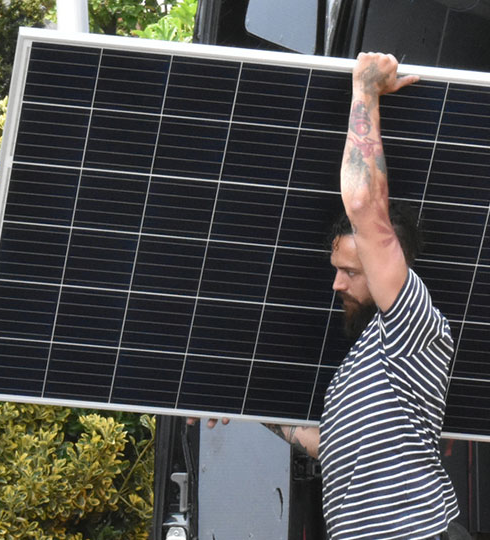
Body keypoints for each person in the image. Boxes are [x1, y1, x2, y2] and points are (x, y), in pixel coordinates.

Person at [193, 52, 459, 539]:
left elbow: (363, 203)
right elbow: (335, 447)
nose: (337, 284)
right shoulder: (373, 354)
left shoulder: (413, 325)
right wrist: (252, 414)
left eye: (351, 271)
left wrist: (365, 90)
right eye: (336, 270)